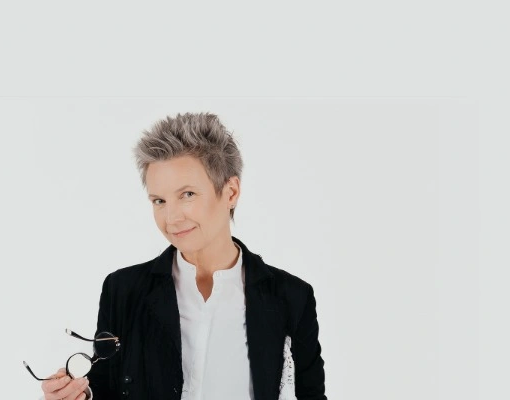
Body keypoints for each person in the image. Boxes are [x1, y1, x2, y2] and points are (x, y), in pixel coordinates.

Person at [39, 112, 327, 400]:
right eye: (159, 201)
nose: (172, 218)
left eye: (187, 194)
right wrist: (77, 396)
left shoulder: (291, 297)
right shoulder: (123, 290)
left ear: (230, 192)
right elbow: (105, 389)